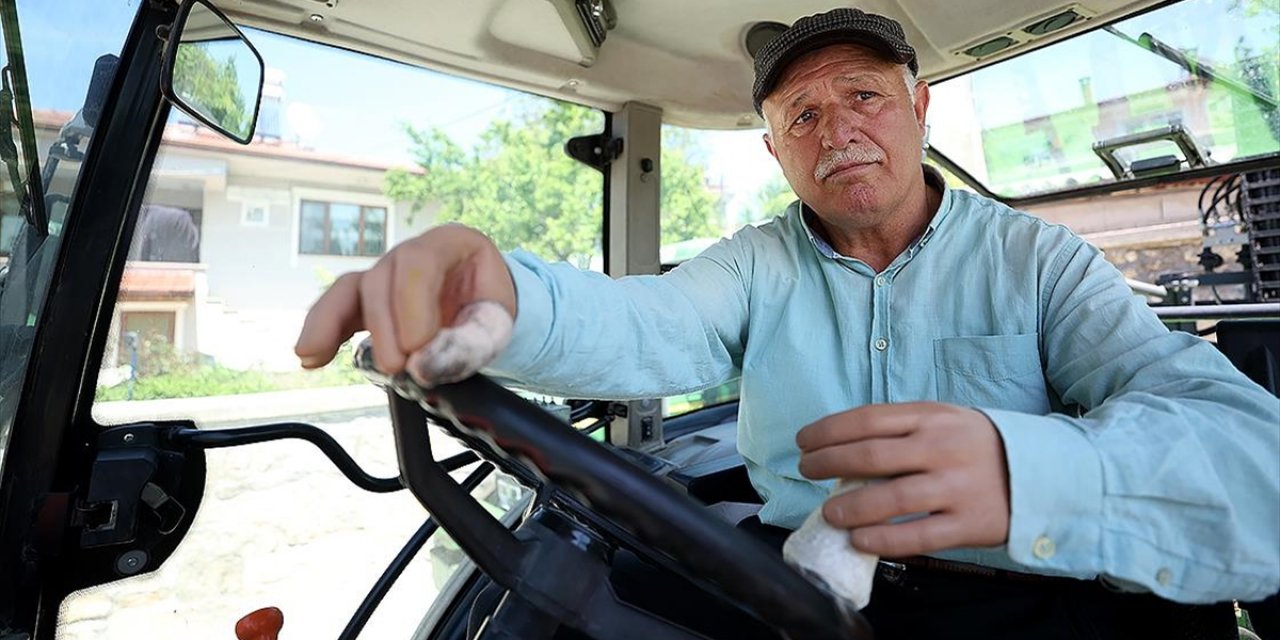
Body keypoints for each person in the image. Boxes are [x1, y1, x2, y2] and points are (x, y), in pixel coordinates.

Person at [294, 8, 1279, 639]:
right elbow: (649, 325)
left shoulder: (1036, 259)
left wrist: (1031, 472)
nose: (836, 128)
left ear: (918, 108)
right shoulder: (755, 264)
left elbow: (1244, 447)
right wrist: (502, 293)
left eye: (862, 96)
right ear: (774, 150)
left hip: (1017, 596)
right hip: (790, 587)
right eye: (801, 115)